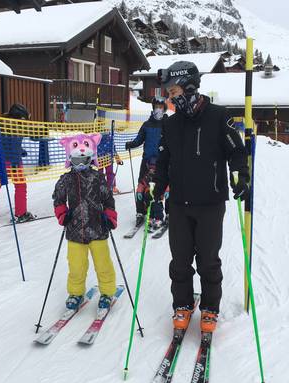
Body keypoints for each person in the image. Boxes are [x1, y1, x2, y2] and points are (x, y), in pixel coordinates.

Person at [153, 61, 249, 334]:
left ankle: (210, 307)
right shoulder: (171, 125)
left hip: (210, 202)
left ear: (189, 86)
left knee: (208, 260)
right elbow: (164, 160)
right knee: (180, 260)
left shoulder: (219, 116)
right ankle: (182, 304)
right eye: (169, 94)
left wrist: (241, 175)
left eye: (173, 92)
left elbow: (236, 151)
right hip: (179, 205)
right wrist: (157, 188)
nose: (170, 99)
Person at [53, 133, 118, 310]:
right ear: (70, 158)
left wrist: (110, 215)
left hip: (98, 228)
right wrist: (62, 214)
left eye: (84, 159)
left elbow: (108, 199)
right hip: (75, 231)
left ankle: (107, 292)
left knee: (103, 264)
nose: (80, 164)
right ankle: (75, 293)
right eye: (76, 160)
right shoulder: (66, 180)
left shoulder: (98, 177)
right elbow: (58, 199)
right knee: (76, 266)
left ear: (91, 158)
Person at [0, 103, 35, 225]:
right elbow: (12, 146)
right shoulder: (13, 127)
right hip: (12, 162)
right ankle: (21, 213)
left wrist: (21, 151)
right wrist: (17, 156)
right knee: (20, 186)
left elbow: (8, 144)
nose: (24, 122)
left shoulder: (1, 124)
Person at [125, 97, 168, 227]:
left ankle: (166, 213)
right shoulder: (147, 124)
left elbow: (173, 140)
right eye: (156, 107)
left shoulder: (168, 123)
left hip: (162, 161)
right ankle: (140, 212)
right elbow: (139, 139)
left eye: (161, 107)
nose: (158, 109)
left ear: (164, 108)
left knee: (162, 187)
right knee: (141, 186)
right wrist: (132, 144)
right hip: (147, 161)